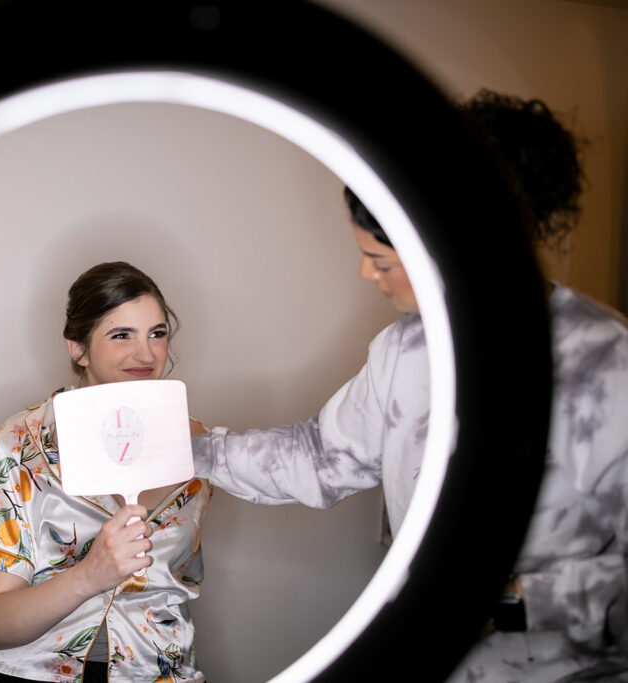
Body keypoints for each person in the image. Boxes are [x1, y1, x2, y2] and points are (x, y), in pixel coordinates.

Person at [191, 89, 628, 682]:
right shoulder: (403, 351)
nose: (366, 274)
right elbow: (319, 456)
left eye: (382, 259)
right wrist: (196, 448)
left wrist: (508, 599)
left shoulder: (607, 366)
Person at [0, 261, 212, 682]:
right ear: (79, 348)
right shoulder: (22, 441)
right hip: (22, 672)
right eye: (121, 334)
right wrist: (92, 573)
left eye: (157, 334)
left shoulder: (199, 446)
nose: (147, 354)